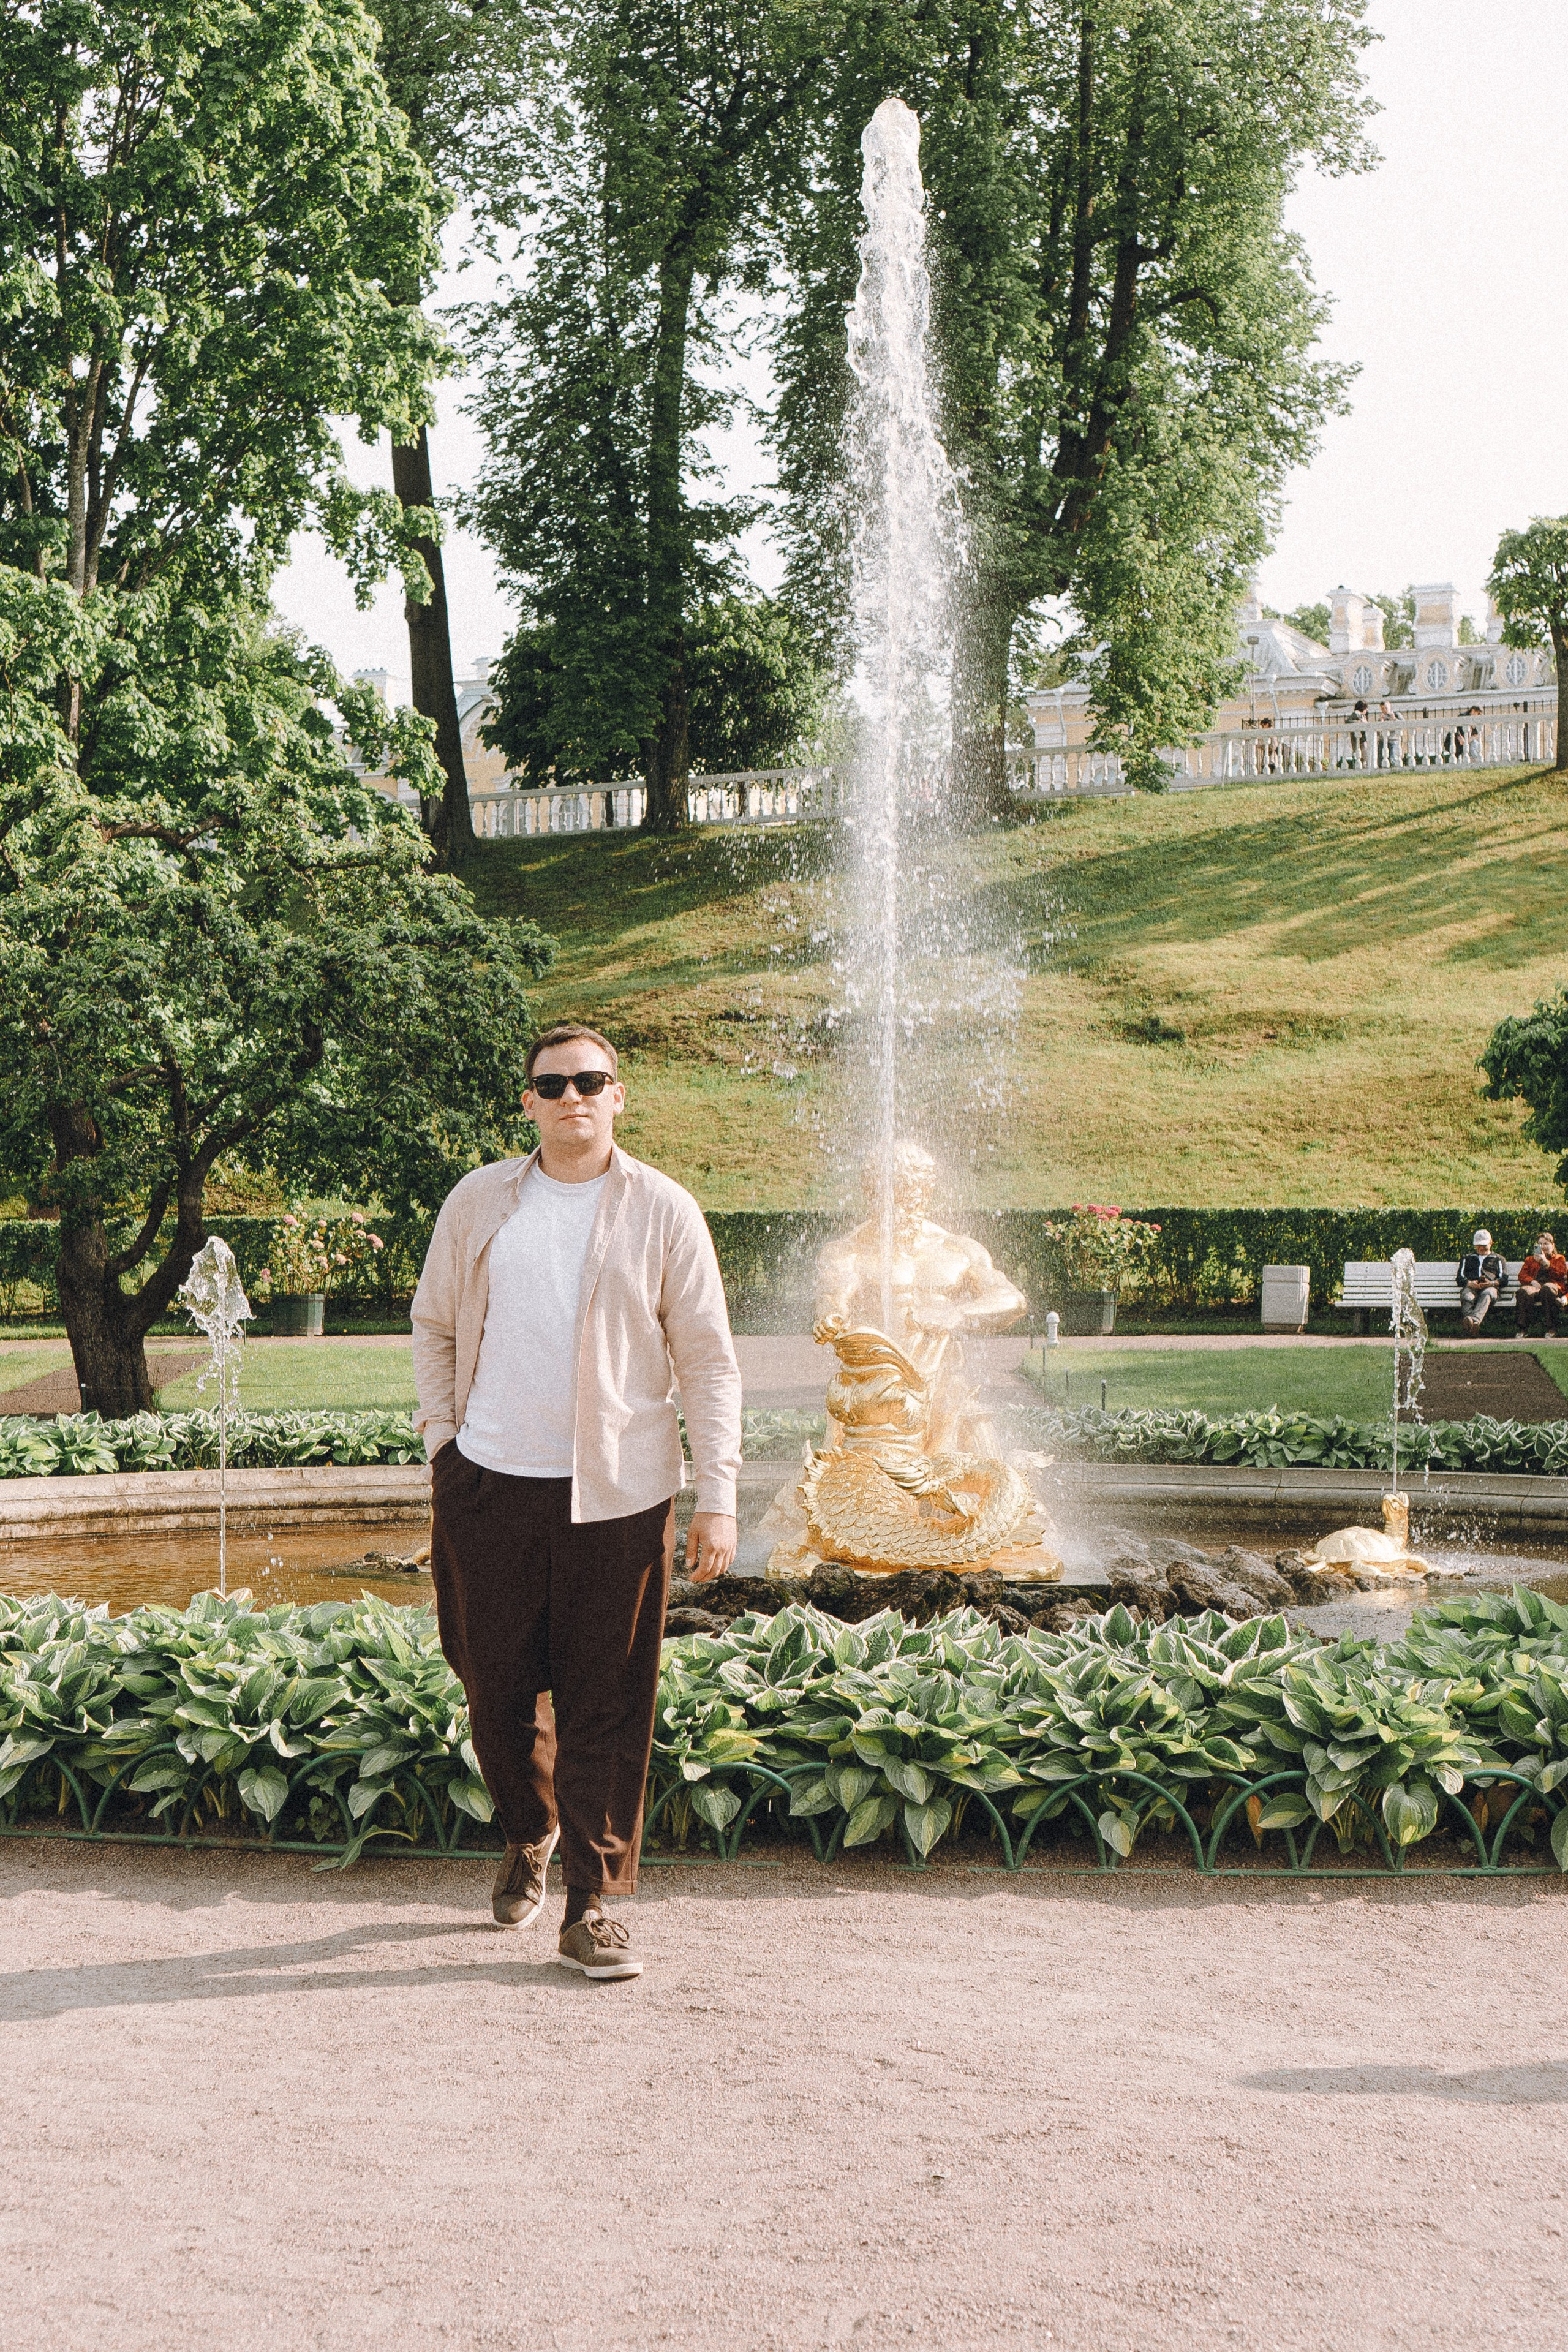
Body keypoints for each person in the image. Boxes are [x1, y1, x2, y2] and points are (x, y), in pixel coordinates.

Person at [412, 1021, 742, 1982]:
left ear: (618, 1095)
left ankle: (593, 1904)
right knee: (493, 1687)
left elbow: (708, 1358)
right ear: (529, 1102)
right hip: (487, 1481)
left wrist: (718, 1493)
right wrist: (443, 1445)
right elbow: (434, 1325)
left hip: (621, 1492)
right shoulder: (480, 1200)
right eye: (553, 1085)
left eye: (590, 1082)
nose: (572, 1099)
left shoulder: (664, 1209)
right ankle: (531, 1828)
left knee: (607, 1699)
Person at [1513, 1232, 1568, 1340]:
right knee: (1523, 1291)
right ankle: (1523, 1329)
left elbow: (1560, 1274)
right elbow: (1522, 1276)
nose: (1543, 1247)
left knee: (1547, 1288)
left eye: (1546, 1244)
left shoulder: (1559, 1259)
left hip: (1553, 1288)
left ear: (1553, 1245)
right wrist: (1532, 1282)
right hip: (1536, 1288)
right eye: (1540, 1244)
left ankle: (1551, 1329)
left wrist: (1546, 1262)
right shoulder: (1530, 1260)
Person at [1455, 1229, 1505, 1336]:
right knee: (1467, 1295)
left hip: (1490, 1288)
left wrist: (1491, 1283)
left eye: (1484, 1245)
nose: (1481, 1248)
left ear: (1491, 1243)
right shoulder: (1467, 1258)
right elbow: (1459, 1278)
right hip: (1472, 1288)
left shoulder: (1498, 1259)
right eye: (1478, 1246)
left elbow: (1504, 1280)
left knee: (1487, 1294)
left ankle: (1472, 1321)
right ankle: (1474, 1325)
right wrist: (1470, 1283)